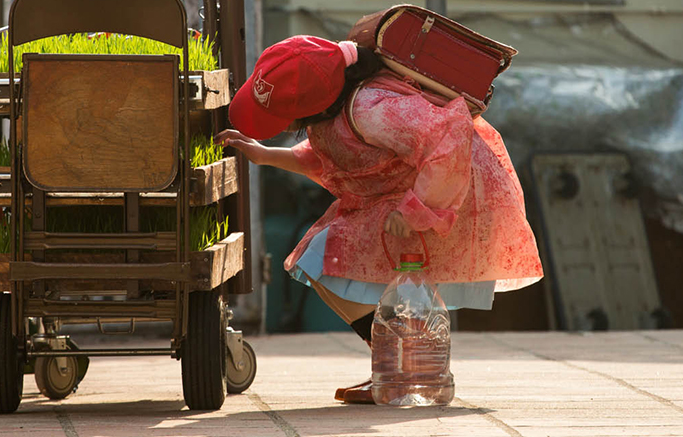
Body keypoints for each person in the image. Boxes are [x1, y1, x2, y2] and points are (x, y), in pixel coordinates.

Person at [217, 34, 543, 404]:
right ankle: (401, 366)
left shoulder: (372, 108)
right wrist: (263, 154)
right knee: (325, 261)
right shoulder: (341, 106)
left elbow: (447, 135)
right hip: (411, 193)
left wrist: (419, 208)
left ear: (313, 107)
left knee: (328, 259)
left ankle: (406, 367)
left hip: (448, 194)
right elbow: (330, 154)